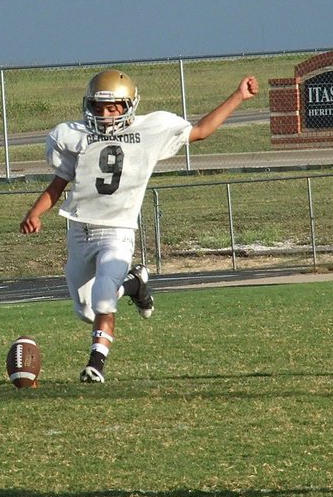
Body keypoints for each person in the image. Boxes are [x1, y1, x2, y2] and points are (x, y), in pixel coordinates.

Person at [20, 69, 259, 383]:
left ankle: (95, 366)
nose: (105, 115)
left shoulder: (151, 129)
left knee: (104, 297)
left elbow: (200, 130)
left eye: (113, 107)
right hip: (79, 231)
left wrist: (239, 96)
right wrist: (35, 213)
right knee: (86, 311)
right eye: (98, 107)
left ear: (129, 105)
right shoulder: (74, 135)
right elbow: (59, 182)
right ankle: (134, 284)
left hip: (117, 231)